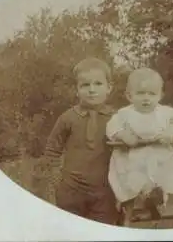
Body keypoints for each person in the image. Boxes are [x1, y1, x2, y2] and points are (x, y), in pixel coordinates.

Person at [106, 67, 173, 217]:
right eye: (140, 93)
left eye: (152, 94)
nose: (146, 98)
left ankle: (155, 199)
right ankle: (143, 203)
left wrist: (170, 132)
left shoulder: (166, 113)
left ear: (160, 95)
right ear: (129, 95)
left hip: (162, 158)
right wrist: (123, 135)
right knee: (134, 177)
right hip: (133, 159)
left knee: (165, 174)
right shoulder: (124, 114)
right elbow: (111, 128)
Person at [42, 57, 118, 225]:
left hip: (105, 190)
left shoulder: (117, 118)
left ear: (109, 88)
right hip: (71, 189)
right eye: (85, 85)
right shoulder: (68, 118)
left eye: (98, 84)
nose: (92, 90)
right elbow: (53, 149)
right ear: (76, 90)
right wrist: (56, 179)